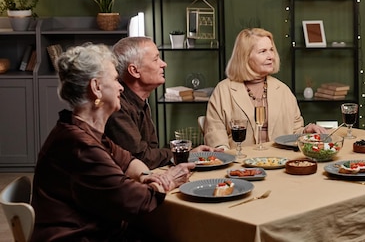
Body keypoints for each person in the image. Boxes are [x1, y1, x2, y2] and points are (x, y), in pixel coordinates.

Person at [31, 43, 194, 241]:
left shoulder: (85, 132)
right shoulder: (79, 145)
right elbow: (135, 201)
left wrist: (145, 177)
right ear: (96, 87)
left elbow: (128, 160)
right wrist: (167, 181)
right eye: (115, 80)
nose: (120, 87)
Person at [204, 28, 326, 149]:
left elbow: (293, 132)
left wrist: (305, 131)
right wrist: (226, 157)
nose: (271, 56)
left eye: (271, 50)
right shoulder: (224, 90)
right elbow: (215, 134)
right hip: (239, 163)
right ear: (245, 57)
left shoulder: (283, 90)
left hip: (279, 161)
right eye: (262, 51)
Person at [106, 36, 214, 169]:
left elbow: (151, 151)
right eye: (155, 59)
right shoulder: (118, 107)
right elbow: (141, 157)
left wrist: (189, 153)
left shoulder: (139, 101)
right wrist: (184, 154)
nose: (164, 64)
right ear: (134, 71)